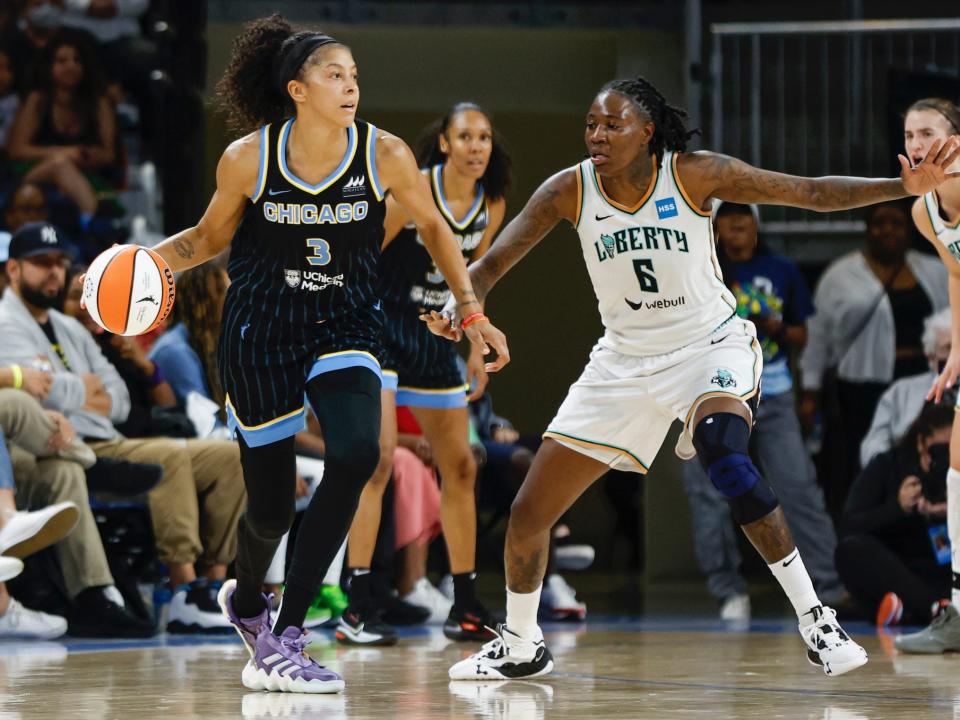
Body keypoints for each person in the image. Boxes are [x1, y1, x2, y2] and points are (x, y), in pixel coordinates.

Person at [434, 76, 960, 681]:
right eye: (590, 126)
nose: (597, 136)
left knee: (724, 456)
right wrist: (464, 310)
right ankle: (522, 642)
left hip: (709, 347)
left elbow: (811, 192)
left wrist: (902, 186)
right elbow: (493, 262)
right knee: (529, 514)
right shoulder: (569, 189)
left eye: (613, 125)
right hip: (622, 362)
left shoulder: (694, 174)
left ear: (648, 131)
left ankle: (816, 620)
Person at [135, 15, 507, 693]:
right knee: (270, 508)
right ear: (297, 89)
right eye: (334, 74)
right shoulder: (249, 157)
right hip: (263, 331)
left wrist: (473, 311)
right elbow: (203, 240)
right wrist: (132, 264)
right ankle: (247, 601)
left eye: (355, 75)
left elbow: (436, 230)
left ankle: (287, 634)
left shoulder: (385, 153)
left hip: (347, 323)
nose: (350, 86)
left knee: (360, 452)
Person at [0, 221, 246, 635]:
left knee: (232, 456)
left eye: (59, 263)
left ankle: (214, 581)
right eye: (41, 263)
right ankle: (183, 589)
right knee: (169, 456)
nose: (54, 273)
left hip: (104, 438)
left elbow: (118, 398)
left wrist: (76, 392)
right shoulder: (6, 323)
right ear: (13, 270)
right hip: (56, 445)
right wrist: (86, 391)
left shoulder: (69, 327)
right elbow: (38, 396)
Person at [339, 101, 510, 645]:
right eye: (465, 136)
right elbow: (361, 257)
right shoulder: (414, 189)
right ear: (444, 143)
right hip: (383, 325)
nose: (476, 146)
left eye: (484, 137)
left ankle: (465, 603)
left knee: (461, 467)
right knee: (379, 460)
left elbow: (474, 282)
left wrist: (473, 342)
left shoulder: (493, 204)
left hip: (438, 336)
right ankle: (357, 604)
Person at [681, 200, 843, 620]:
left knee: (797, 486)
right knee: (707, 492)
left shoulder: (782, 270)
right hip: (710, 391)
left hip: (773, 389)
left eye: (743, 219)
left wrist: (779, 330)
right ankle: (727, 589)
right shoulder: (698, 269)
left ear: (756, 226)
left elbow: (804, 334)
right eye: (727, 220)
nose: (735, 227)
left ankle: (826, 584)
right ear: (713, 230)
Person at [800, 200, 948, 515]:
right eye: (880, 223)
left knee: (922, 451)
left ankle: (920, 514)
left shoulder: (933, 270)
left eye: (896, 223)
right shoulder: (840, 275)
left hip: (923, 379)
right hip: (862, 384)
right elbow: (818, 334)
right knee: (869, 454)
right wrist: (810, 390)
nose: (888, 231)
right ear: (868, 229)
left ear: (909, 229)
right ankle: (869, 518)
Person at [895, 97, 960, 654]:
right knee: (959, 461)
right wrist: (958, 350)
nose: (917, 144)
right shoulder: (923, 210)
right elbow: (958, 274)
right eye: (910, 135)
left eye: (928, 132)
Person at [837, 402, 952, 627]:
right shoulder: (888, 465)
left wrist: (952, 513)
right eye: (940, 450)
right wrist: (897, 508)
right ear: (921, 443)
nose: (947, 458)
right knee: (850, 550)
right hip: (897, 572)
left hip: (943, 575)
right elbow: (850, 525)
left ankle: (916, 611)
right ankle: (935, 611)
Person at [6, 30, 117, 239]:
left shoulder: (98, 104)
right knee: (59, 164)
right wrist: (65, 153)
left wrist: (85, 155)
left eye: (76, 60)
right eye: (62, 60)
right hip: (34, 173)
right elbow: (16, 150)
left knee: (64, 167)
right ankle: (91, 222)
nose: (70, 66)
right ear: (49, 66)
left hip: (84, 173)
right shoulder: (37, 100)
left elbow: (108, 154)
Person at [860, 308, 952, 467]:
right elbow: (872, 446)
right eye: (949, 348)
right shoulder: (901, 393)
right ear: (931, 356)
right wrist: (894, 474)